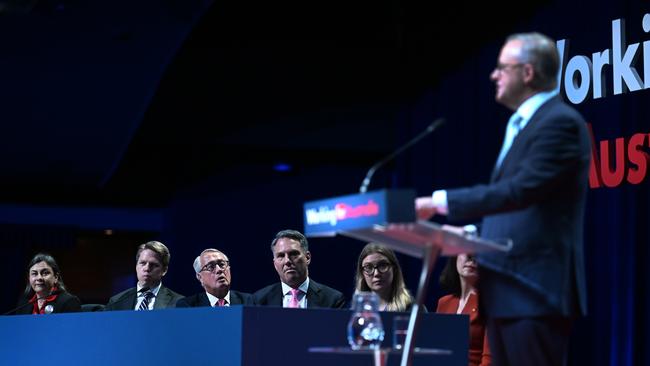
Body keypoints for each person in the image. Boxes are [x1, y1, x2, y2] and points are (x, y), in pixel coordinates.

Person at [415, 32, 590, 366]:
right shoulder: (524, 124)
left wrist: (437, 203)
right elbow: (514, 209)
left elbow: (519, 192)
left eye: (502, 68)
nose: (494, 75)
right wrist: (468, 237)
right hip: (509, 292)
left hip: (534, 292)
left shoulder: (560, 123)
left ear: (527, 72)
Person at [253, 229, 346, 309]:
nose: (287, 261)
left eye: (293, 254)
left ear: (307, 258)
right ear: (274, 264)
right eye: (281, 256)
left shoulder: (333, 299)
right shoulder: (259, 300)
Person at [437, 254, 490, 366]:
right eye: (465, 249)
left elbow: (489, 361)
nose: (470, 256)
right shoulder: (444, 302)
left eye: (477, 252)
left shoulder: (490, 303)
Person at [105, 241, 184, 311]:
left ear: (164, 270)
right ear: (136, 266)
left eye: (153, 265)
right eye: (142, 263)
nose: (146, 268)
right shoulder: (116, 302)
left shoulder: (179, 302)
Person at [176, 248, 255, 307]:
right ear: (200, 277)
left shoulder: (247, 301)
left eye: (222, 264)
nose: (219, 270)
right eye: (210, 267)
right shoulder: (188, 306)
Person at [12, 253, 81, 314]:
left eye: (45, 273)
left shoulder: (68, 302)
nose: (39, 278)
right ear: (29, 278)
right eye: (34, 274)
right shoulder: (24, 304)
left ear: (56, 277)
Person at [354, 243, 415, 312]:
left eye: (382, 265)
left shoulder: (414, 311)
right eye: (368, 267)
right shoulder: (353, 311)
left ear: (394, 269)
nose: (376, 273)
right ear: (362, 274)